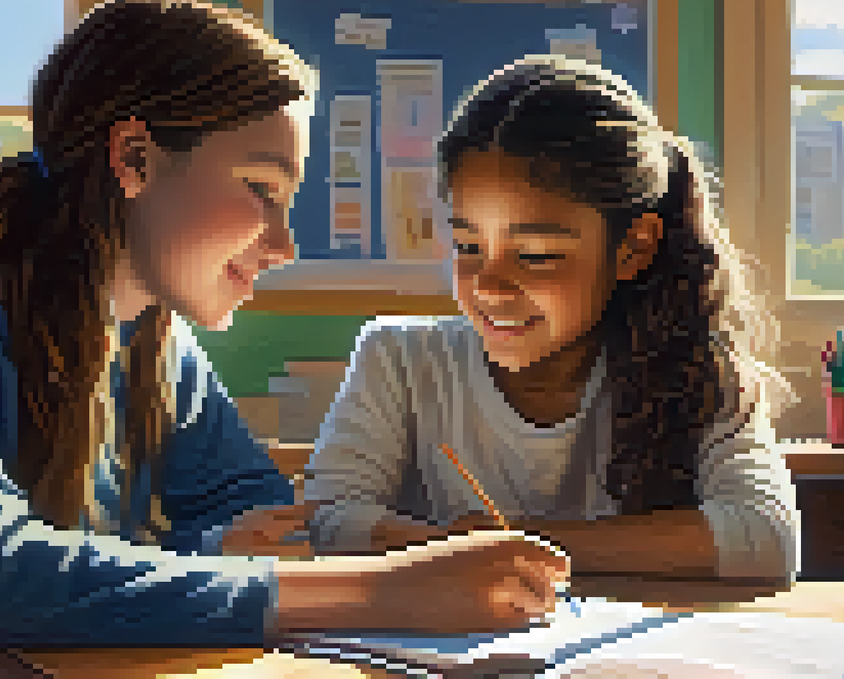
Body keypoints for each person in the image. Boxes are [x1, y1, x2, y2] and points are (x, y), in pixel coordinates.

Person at [0, 0, 569, 646]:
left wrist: (252, 548)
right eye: (260, 189)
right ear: (134, 159)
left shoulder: (155, 341)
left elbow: (254, 517)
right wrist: (382, 591)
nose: (281, 243)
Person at [304, 56, 800, 585]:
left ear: (635, 247)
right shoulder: (399, 359)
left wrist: (512, 543)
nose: (489, 286)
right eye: (469, 245)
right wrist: (472, 550)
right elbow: (330, 521)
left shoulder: (697, 371)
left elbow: (764, 537)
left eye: (536, 254)